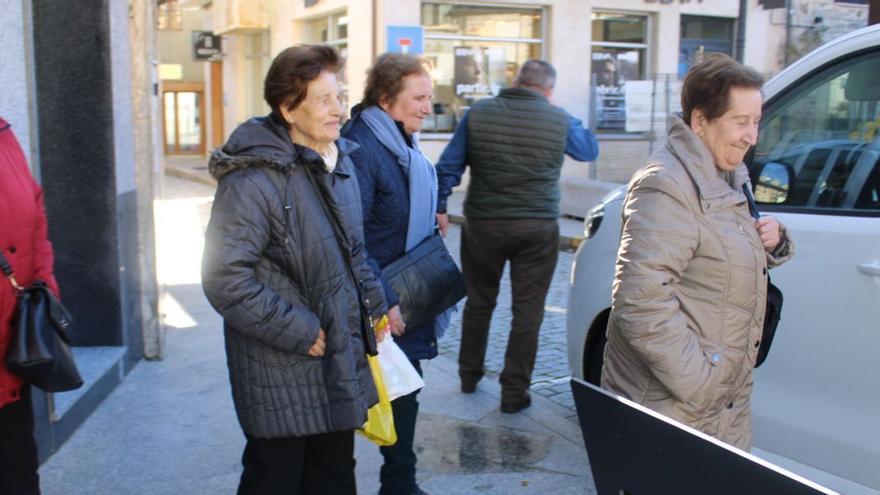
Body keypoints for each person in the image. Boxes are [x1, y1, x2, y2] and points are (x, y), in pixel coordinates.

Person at [201, 45, 387, 494]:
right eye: (323, 100)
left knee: (334, 476)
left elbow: (351, 251)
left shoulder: (337, 163)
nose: (338, 110)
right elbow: (224, 277)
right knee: (278, 478)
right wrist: (298, 331)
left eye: (339, 96)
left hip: (336, 356)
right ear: (288, 108)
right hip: (281, 364)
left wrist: (374, 307)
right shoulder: (252, 179)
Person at [600, 54, 794, 451]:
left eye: (756, 121)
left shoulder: (729, 175)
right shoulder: (666, 185)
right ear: (701, 121)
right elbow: (639, 300)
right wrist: (703, 383)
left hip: (721, 408)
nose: (752, 136)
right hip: (675, 407)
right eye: (740, 122)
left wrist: (774, 239)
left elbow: (718, 250)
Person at [435, 59, 599, 413]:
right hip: (537, 227)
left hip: (484, 224)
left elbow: (448, 166)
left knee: (479, 303)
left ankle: (468, 374)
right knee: (528, 312)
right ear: (548, 90)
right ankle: (514, 393)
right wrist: (561, 112)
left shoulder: (479, 112)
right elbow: (588, 149)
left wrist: (440, 204)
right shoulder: (557, 118)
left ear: (515, 81)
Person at [341, 53, 438, 495]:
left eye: (429, 98)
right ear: (385, 99)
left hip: (401, 286)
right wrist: (382, 299)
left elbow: (398, 204)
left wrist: (433, 212)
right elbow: (349, 232)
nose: (426, 107)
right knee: (388, 392)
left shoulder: (398, 139)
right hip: (379, 295)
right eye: (418, 98)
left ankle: (400, 481)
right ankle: (398, 484)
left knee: (404, 389)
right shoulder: (362, 146)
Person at [0, 117, 59, 495]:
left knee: (17, 473)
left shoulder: (3, 134)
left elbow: (34, 211)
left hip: (10, 352)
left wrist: (42, 288)